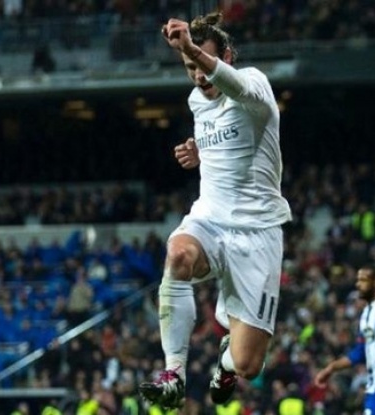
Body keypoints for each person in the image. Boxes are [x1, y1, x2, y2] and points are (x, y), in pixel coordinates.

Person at [138, 10, 291, 409]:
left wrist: (191, 48)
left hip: (257, 232)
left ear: (226, 56)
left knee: (248, 365)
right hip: (210, 219)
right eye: (189, 67)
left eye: (202, 64)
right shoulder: (197, 101)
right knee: (177, 255)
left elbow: (233, 88)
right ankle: (174, 374)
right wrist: (201, 154)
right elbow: (231, 144)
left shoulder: (254, 84)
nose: (198, 76)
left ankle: (225, 362)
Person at [314, 265, 375, 413]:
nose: (358, 285)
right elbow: (359, 353)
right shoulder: (366, 314)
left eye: (364, 280)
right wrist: (331, 368)